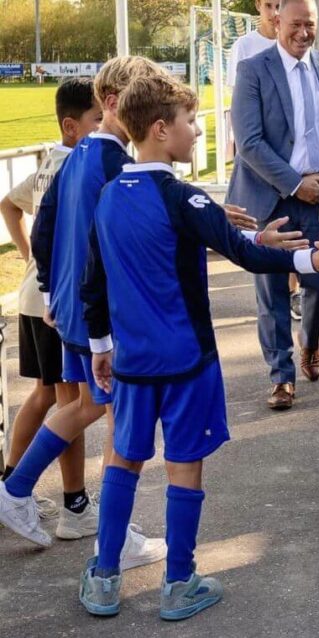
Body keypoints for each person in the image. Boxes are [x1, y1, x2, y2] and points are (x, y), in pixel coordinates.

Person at [76, 72, 319, 620]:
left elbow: (93, 283)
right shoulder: (181, 195)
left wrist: (100, 346)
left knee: (123, 462)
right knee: (184, 466)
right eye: (191, 122)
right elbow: (244, 255)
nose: (197, 131)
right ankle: (178, 583)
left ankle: (103, 576)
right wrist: (315, 260)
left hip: (134, 363)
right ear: (162, 129)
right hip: (188, 361)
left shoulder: (108, 195)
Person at [0, 57, 167, 568]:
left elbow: (45, 226)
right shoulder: (114, 162)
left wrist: (52, 293)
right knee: (116, 418)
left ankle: (28, 492)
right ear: (118, 102)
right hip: (99, 317)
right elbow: (108, 246)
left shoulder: (77, 154)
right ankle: (108, 536)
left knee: (89, 407)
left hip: (73, 309)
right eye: (146, 100)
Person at [227, 0, 319, 411]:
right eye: (296, 24)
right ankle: (281, 376)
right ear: (277, 22)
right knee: (272, 289)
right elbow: (250, 142)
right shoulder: (254, 70)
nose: (303, 32)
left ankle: (309, 339)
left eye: (309, 24)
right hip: (269, 199)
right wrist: (295, 185)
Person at [0, 78, 99, 534]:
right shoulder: (75, 166)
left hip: (34, 294)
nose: (105, 127)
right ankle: (72, 505)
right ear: (71, 126)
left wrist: (27, 254)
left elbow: (8, 204)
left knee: (46, 395)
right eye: (99, 119)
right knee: (71, 402)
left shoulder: (49, 163)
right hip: (54, 301)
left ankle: (10, 482)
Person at [225, 0, 305, 324]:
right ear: (259, 5)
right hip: (261, 163)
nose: (275, 12)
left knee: (297, 239)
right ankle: (280, 362)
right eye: (270, 5)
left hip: (297, 164)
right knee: (271, 243)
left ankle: (297, 291)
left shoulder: (301, 44)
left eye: (280, 5)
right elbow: (241, 106)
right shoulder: (245, 47)